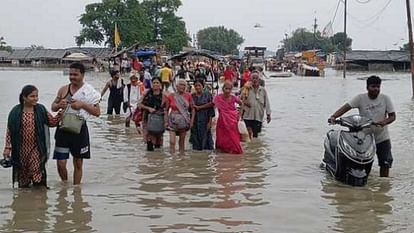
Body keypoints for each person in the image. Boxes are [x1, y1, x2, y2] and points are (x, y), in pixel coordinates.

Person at [329, 75, 396, 177]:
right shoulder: (360, 98)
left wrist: (384, 122)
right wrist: (334, 117)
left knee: (386, 162)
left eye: (378, 87)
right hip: (364, 137)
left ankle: (384, 185)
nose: (376, 89)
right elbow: (346, 107)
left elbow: (392, 116)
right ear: (367, 87)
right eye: (373, 86)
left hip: (382, 137)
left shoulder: (385, 99)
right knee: (360, 161)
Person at [2, 85, 62, 188]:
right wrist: (7, 148)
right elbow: (9, 131)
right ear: (24, 97)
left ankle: (39, 198)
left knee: (36, 172)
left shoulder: (40, 109)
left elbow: (51, 122)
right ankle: (26, 200)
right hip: (20, 149)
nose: (35, 98)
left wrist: (61, 114)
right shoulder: (15, 112)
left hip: (37, 148)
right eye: (32, 96)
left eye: (36, 96)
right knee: (23, 177)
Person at [52, 62, 101, 185]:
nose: (72, 77)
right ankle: (64, 185)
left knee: (78, 162)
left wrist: (83, 105)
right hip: (63, 129)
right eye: (70, 74)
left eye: (75, 74)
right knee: (60, 162)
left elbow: (97, 112)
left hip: (79, 129)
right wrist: (59, 105)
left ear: (83, 75)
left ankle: (76, 190)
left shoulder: (89, 92)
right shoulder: (63, 89)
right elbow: (53, 107)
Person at [213, 81, 243, 154]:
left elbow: (242, 104)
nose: (227, 91)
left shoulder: (233, 98)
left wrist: (240, 115)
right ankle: (223, 152)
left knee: (233, 138)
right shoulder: (218, 97)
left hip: (232, 122)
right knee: (221, 138)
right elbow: (213, 105)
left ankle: (235, 151)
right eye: (226, 88)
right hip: (222, 122)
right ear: (223, 89)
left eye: (229, 89)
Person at [165, 79, 194, 154]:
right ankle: (172, 159)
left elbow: (193, 109)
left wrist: (191, 121)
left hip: (183, 120)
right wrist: (165, 121)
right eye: (180, 84)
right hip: (172, 120)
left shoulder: (189, 96)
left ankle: (181, 159)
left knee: (181, 142)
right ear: (176, 86)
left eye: (184, 85)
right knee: (172, 142)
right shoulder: (171, 96)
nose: (182, 86)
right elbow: (166, 109)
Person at [242, 71, 272, 139]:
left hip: (258, 116)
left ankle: (255, 148)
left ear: (259, 80)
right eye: (253, 78)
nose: (255, 80)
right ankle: (250, 147)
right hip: (247, 115)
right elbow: (239, 100)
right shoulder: (246, 89)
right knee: (248, 133)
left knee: (256, 135)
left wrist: (268, 114)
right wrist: (245, 102)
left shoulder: (262, 90)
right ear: (250, 79)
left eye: (256, 78)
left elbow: (267, 102)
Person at [140, 77, 167, 151]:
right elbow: (139, 104)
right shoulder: (147, 93)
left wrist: (166, 122)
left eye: (157, 83)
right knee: (149, 138)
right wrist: (148, 108)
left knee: (159, 138)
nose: (155, 84)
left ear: (160, 84)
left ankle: (157, 158)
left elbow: (166, 109)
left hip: (160, 119)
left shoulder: (164, 95)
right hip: (147, 118)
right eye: (154, 83)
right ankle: (150, 159)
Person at [190, 79, 215, 151]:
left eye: (199, 85)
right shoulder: (192, 96)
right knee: (195, 140)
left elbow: (211, 109)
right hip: (195, 121)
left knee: (206, 140)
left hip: (205, 120)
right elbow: (190, 109)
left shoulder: (208, 95)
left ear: (203, 86)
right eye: (196, 86)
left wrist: (210, 122)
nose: (197, 87)